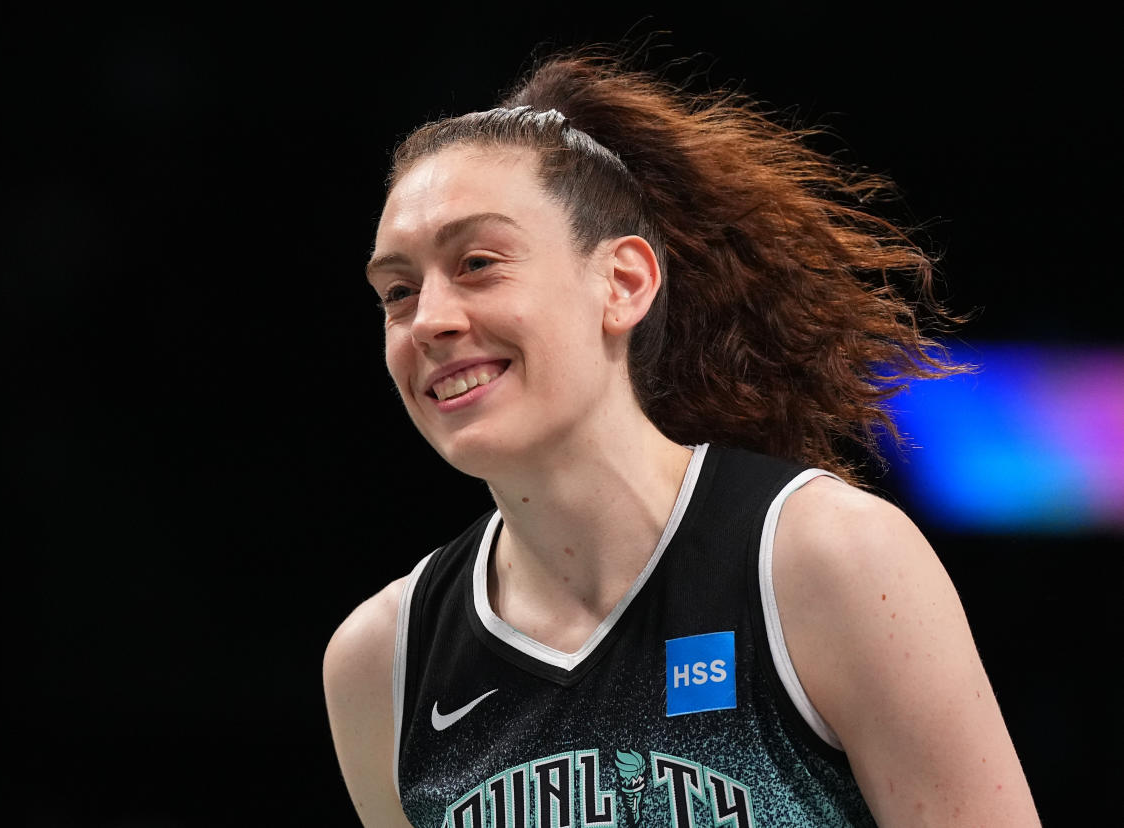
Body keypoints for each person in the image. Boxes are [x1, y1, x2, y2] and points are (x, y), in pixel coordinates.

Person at [323, 48, 1041, 827]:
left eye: (479, 263)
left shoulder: (826, 560)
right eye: (397, 291)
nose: (429, 319)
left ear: (624, 283)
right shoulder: (380, 662)